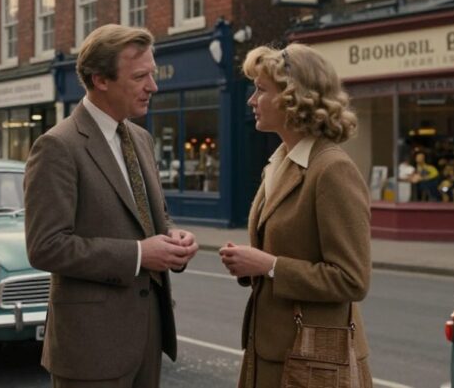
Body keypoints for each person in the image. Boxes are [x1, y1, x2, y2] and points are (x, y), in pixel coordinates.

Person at [24, 24, 198, 388]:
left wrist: (173, 238)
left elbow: (152, 218)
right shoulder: (57, 147)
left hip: (148, 337)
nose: (154, 86)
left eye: (152, 73)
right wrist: (138, 254)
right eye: (140, 76)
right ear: (100, 79)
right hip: (91, 350)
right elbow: (45, 247)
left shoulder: (141, 137)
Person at [219, 44, 372, 388]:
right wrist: (249, 264)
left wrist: (268, 265)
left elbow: (352, 279)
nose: (251, 100)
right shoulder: (280, 162)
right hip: (275, 352)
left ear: (293, 98)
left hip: (315, 362)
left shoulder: (331, 169)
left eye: (260, 90)